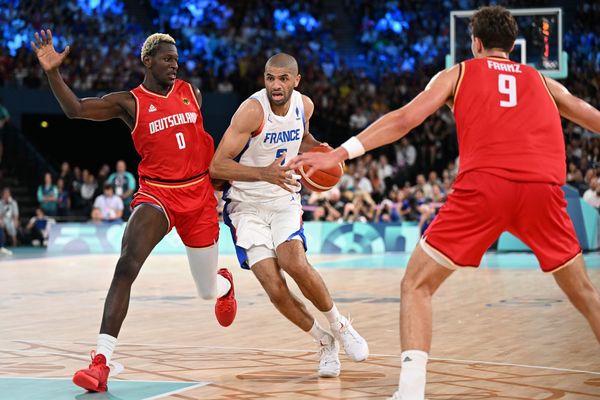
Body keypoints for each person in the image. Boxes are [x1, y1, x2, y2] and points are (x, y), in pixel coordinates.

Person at [289, 6, 600, 399]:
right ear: (513, 46)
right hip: (544, 190)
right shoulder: (543, 80)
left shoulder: (460, 72)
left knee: (416, 284)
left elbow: (404, 120)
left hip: (485, 186)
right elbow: (592, 117)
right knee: (585, 294)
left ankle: (411, 392)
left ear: (475, 43)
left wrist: (339, 154)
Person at [31, 30, 237, 393]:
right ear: (147, 61)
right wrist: (52, 73)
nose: (174, 64)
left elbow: (200, 146)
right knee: (126, 265)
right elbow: (75, 110)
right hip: (158, 194)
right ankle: (101, 362)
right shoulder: (130, 103)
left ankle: (224, 284)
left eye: (176, 59)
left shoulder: (193, 93)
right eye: (167, 59)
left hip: (199, 196)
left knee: (206, 290)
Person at [209, 53, 369, 378]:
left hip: (283, 197)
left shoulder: (304, 106)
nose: (276, 85)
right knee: (274, 286)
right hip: (245, 204)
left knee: (294, 261)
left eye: (283, 79)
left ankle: (340, 325)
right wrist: (263, 174)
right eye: (270, 78)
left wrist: (317, 148)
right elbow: (217, 166)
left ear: (296, 81)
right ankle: (324, 342)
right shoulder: (252, 112)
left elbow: (301, 137)